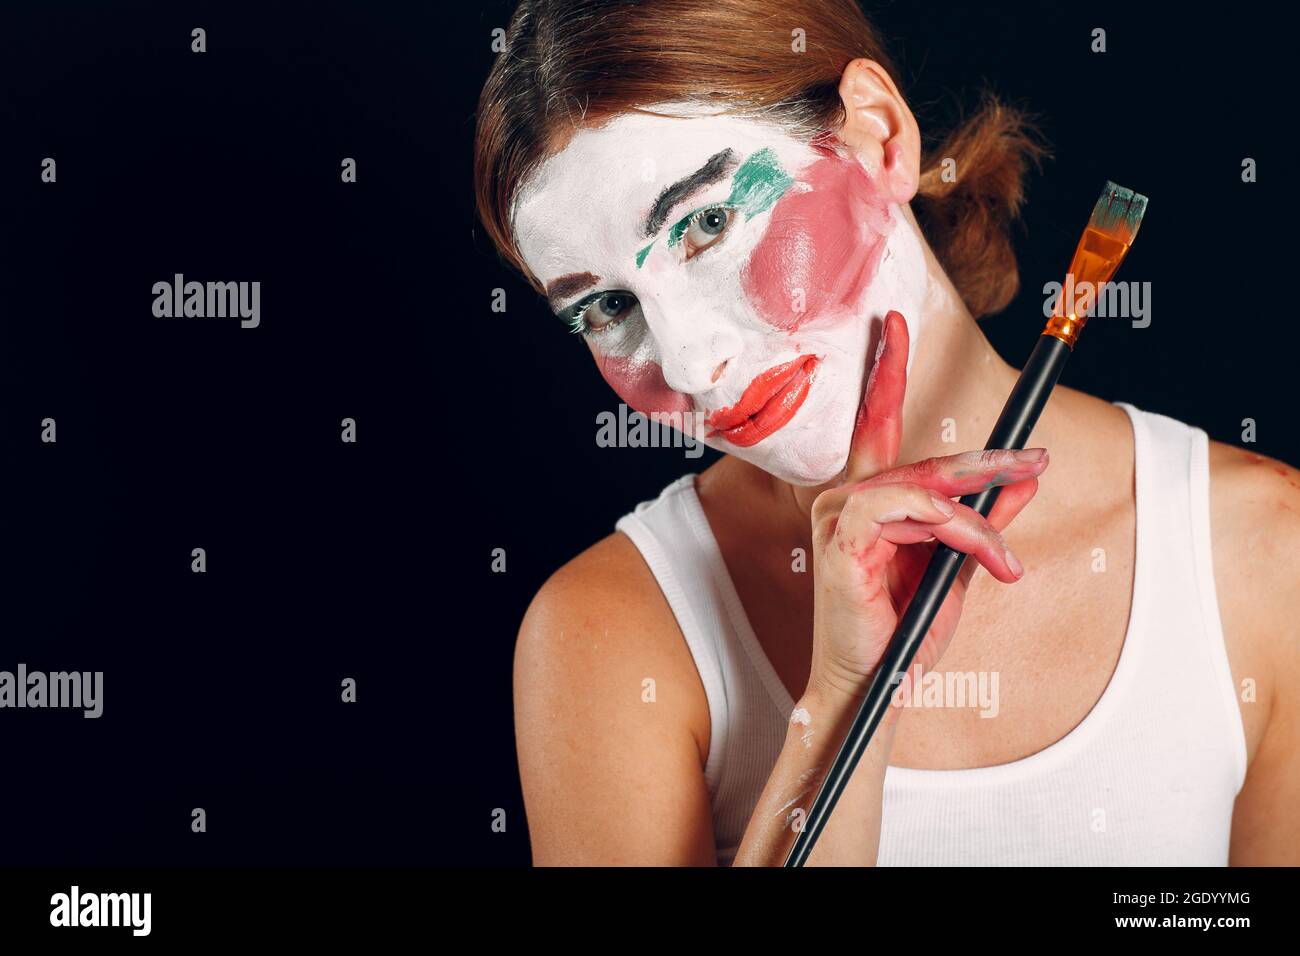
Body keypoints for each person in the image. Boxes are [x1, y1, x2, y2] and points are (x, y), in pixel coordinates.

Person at [473, 0, 1300, 865]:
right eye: (608, 308)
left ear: (878, 138)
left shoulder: (1257, 550)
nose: (690, 367)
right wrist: (844, 699)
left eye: (708, 224)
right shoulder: (610, 633)